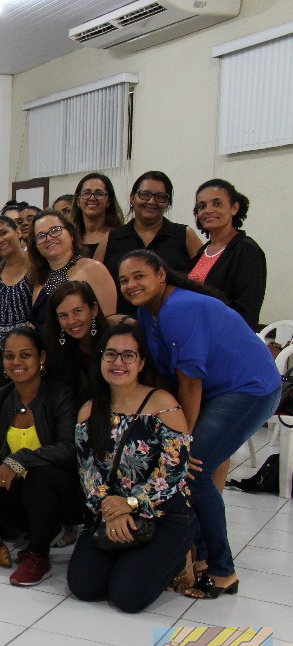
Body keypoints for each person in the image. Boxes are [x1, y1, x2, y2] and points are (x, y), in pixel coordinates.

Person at [118, 249, 280, 598]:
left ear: (161, 276)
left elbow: (190, 383)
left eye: (139, 276)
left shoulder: (180, 308)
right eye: (124, 280)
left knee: (195, 470)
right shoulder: (148, 312)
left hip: (250, 389)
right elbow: (165, 374)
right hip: (217, 391)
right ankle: (203, 558)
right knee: (186, 469)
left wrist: (181, 443)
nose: (131, 284)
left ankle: (223, 570)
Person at [68, 325, 196, 613]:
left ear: (141, 363)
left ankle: (178, 556)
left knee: (128, 596)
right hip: (108, 511)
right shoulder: (90, 410)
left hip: (163, 514)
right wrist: (111, 510)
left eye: (128, 355)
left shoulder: (163, 404)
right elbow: (89, 473)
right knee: (84, 587)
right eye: (110, 354)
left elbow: (173, 471)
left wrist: (130, 503)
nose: (118, 363)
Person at [0, 328, 84, 586]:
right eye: (9, 356)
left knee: (40, 474)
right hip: (24, 490)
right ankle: (41, 529)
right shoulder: (3, 397)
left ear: (41, 358)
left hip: (65, 490)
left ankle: (37, 555)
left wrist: (19, 459)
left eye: (25, 355)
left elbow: (69, 449)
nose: (16, 362)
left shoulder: (61, 395)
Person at [104, 171, 204, 316]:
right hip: (124, 328)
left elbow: (204, 280)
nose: (151, 201)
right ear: (132, 197)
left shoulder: (184, 235)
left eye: (160, 197)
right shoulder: (110, 238)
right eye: (144, 194)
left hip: (177, 321)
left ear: (168, 203)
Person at [187, 179, 265, 330]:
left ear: (234, 208)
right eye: (201, 206)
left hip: (226, 340)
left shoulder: (247, 250)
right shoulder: (203, 251)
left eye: (217, 203)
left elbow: (247, 312)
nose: (208, 210)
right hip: (197, 334)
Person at [29, 211, 117, 330]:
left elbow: (109, 322)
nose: (48, 238)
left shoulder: (93, 269)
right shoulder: (40, 281)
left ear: (71, 234)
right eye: (41, 236)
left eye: (55, 230)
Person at [0, 214, 33, 384]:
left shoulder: (34, 268)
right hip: (3, 355)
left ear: (18, 232)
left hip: (29, 353)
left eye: (4, 233)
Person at [44, 281, 106, 402]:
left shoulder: (113, 341)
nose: (71, 321)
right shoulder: (57, 351)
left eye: (77, 311)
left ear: (94, 309)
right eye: (63, 315)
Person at [70, 173, 124, 263]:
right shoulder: (70, 238)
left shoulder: (121, 238)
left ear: (109, 201)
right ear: (77, 201)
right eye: (86, 193)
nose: (92, 198)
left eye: (99, 193)